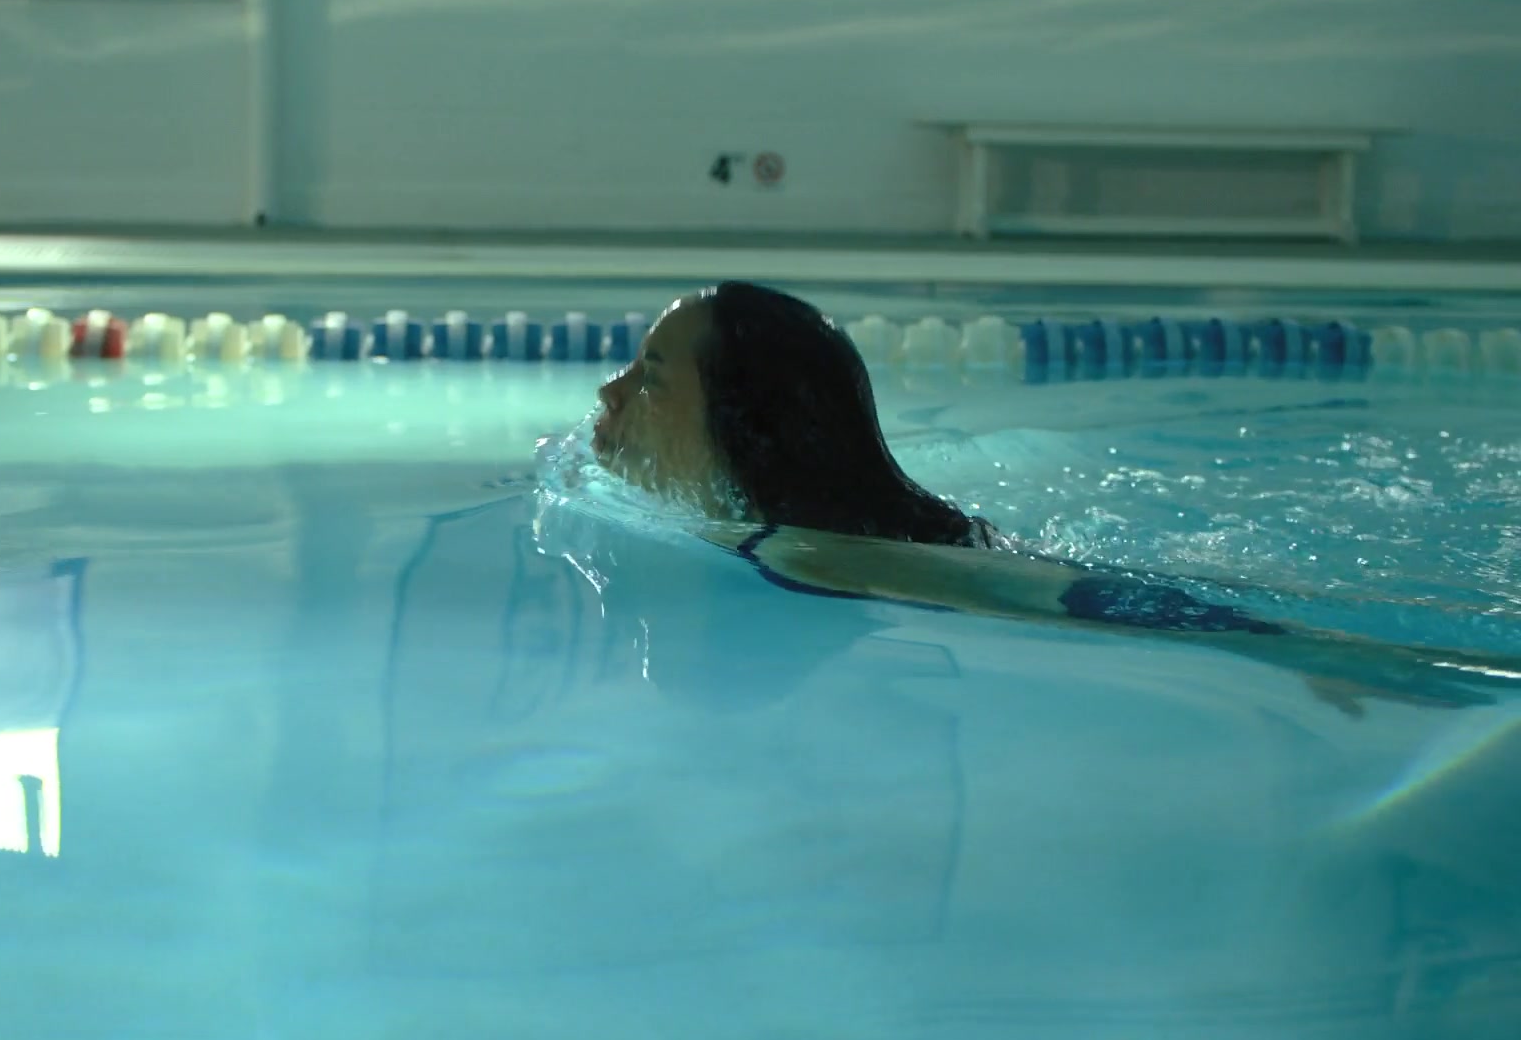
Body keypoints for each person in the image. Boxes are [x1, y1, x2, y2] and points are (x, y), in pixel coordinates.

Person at [588, 280, 1521, 714]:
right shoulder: (775, 532)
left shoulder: (810, 552)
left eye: (652, 376)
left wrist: (1299, 647)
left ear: (741, 424)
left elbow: (1047, 594)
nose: (611, 391)